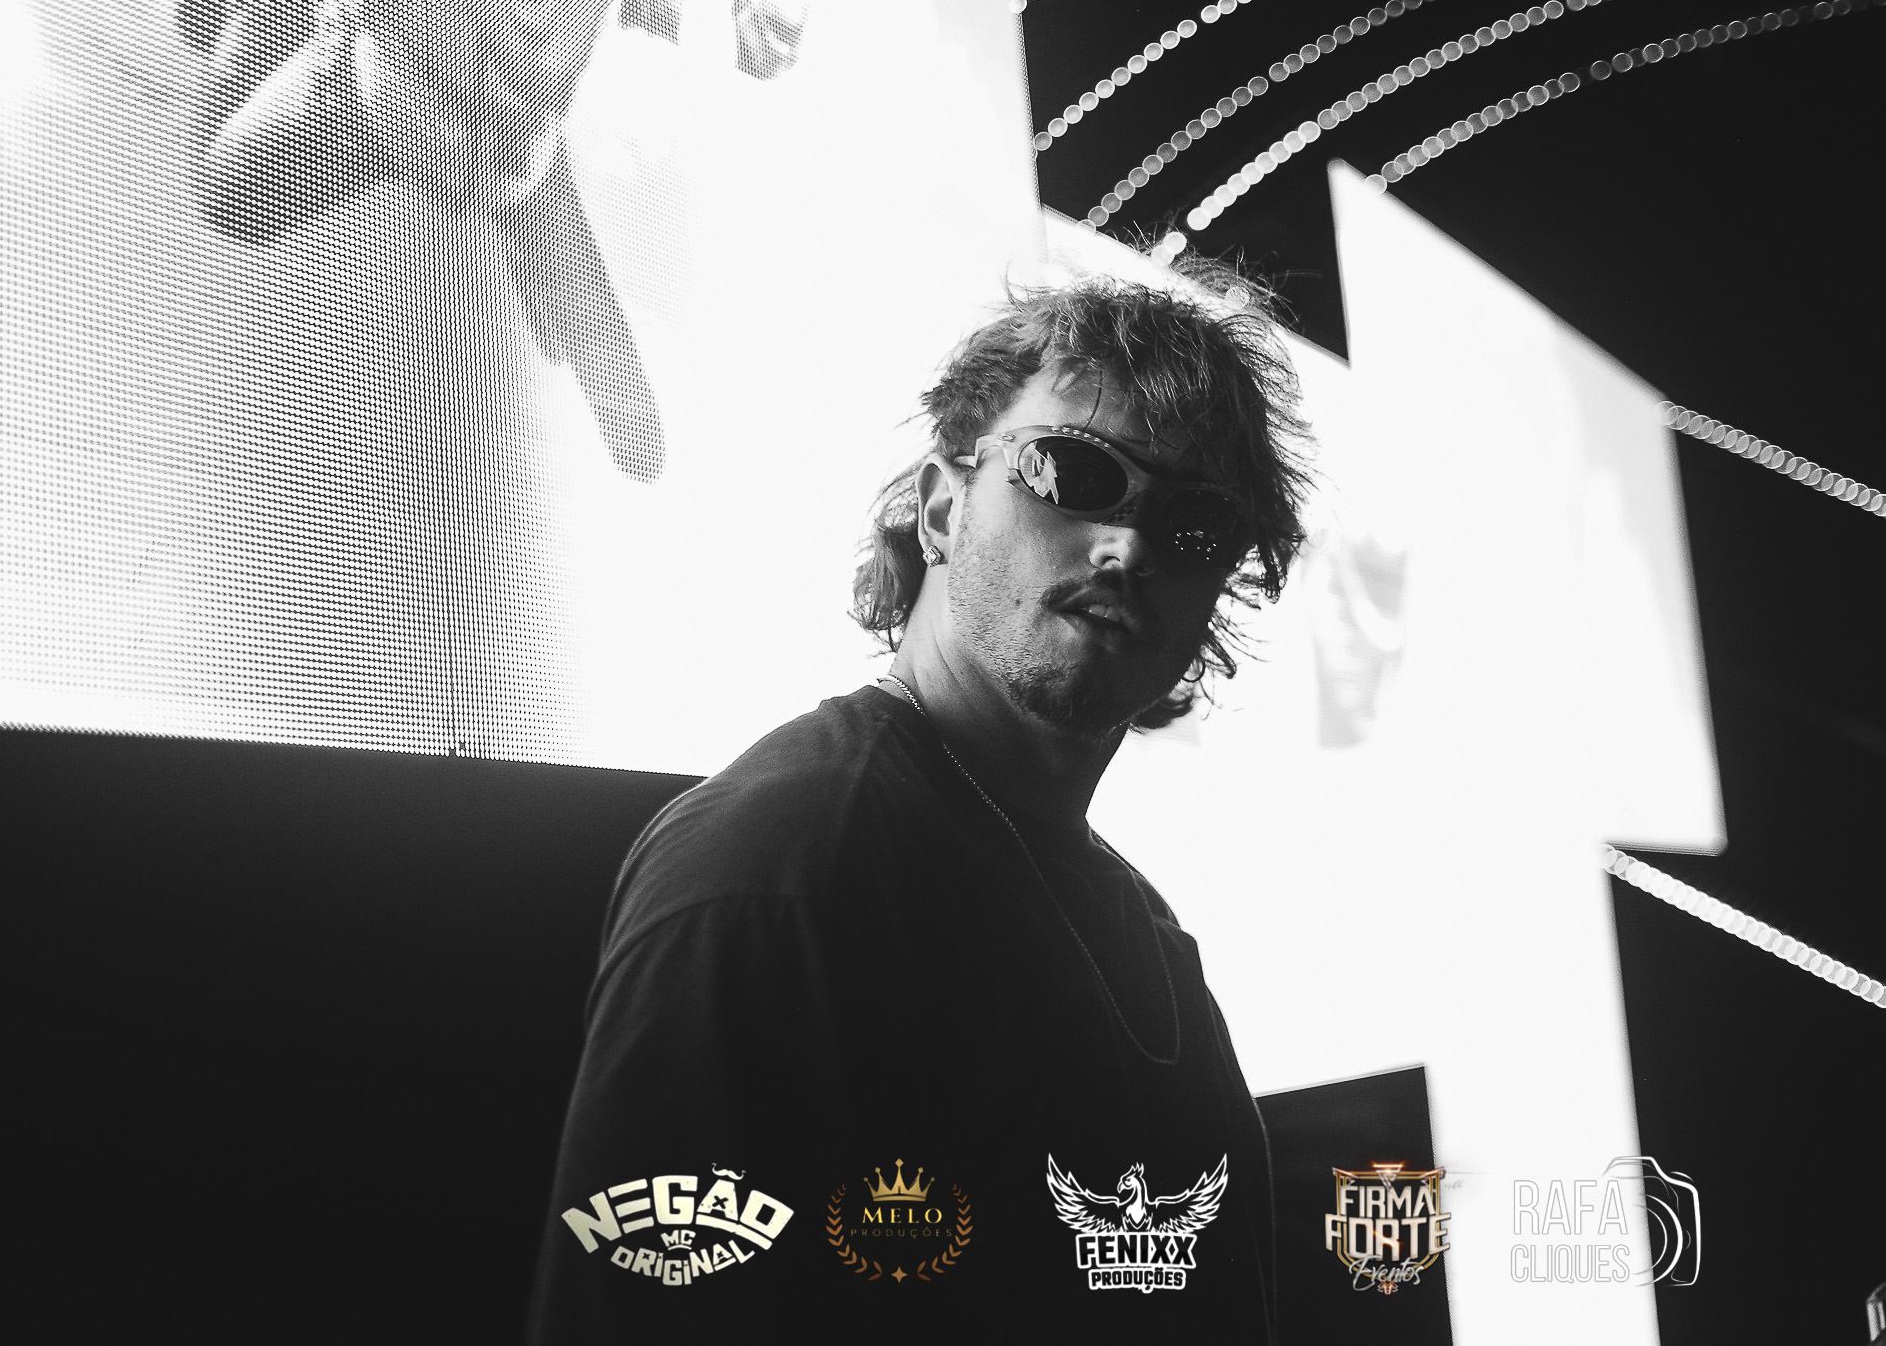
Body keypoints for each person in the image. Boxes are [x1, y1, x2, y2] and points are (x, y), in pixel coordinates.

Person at [526, 262, 1311, 1339]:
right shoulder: (783, 861)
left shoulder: (1150, 938)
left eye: (1196, 525)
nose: (1128, 545)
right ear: (942, 508)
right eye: (1074, 472)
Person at [168, 0, 803, 482]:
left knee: (634, 432)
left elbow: (750, 41)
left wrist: (770, 5)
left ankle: (541, 279)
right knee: (228, 197)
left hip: (514, 161)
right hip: (379, 103)